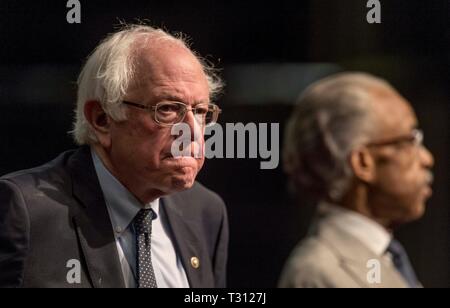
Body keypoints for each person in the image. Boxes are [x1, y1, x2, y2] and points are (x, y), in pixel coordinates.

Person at [0, 24, 228, 288]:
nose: (192, 133)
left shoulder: (206, 211)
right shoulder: (25, 212)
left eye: (200, 112)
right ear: (102, 119)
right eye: (167, 109)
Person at [278, 72, 434, 288]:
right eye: (409, 140)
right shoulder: (317, 272)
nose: (427, 158)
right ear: (362, 162)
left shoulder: (381, 256)